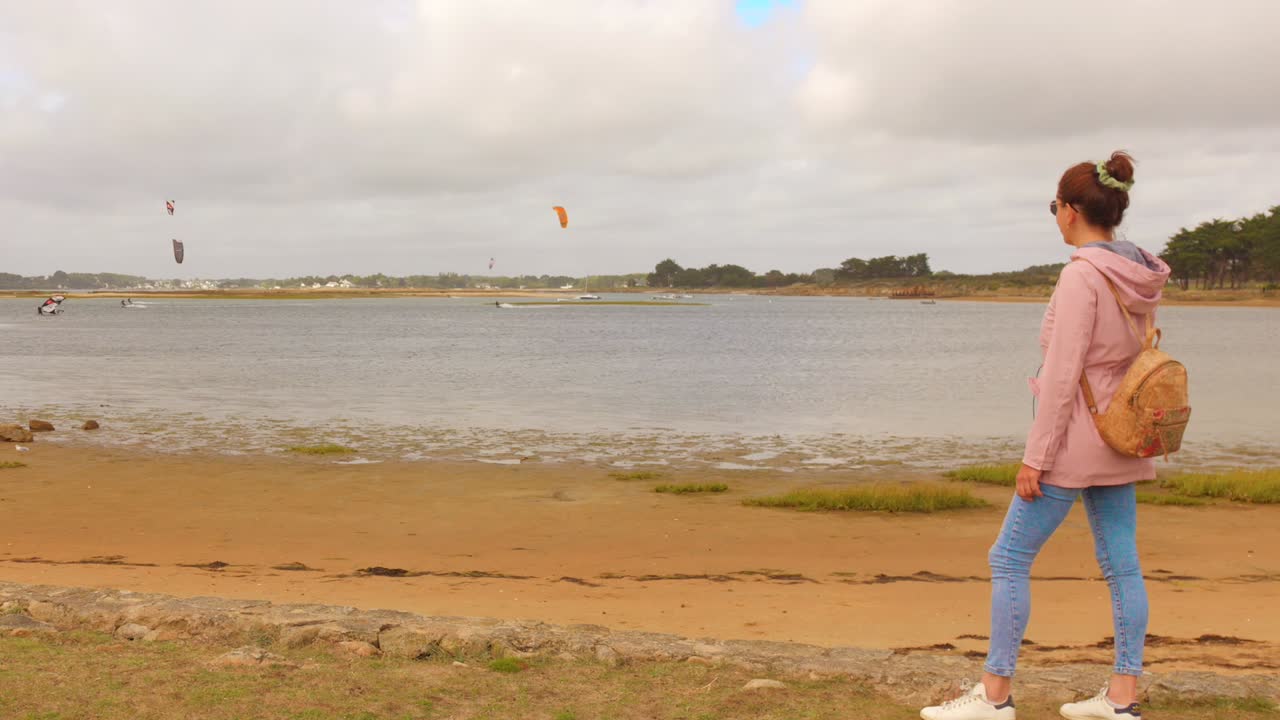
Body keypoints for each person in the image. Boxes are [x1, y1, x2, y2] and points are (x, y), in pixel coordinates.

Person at [921, 152, 1171, 720]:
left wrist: (1036, 457)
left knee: (1008, 556)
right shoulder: (1142, 272)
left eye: (1055, 206)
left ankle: (994, 696)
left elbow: (1062, 376)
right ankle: (1121, 700)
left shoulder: (1083, 273)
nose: (1055, 216)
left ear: (1074, 209)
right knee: (1123, 564)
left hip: (1076, 440)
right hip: (1125, 434)